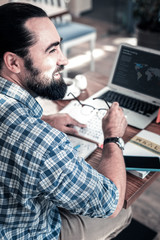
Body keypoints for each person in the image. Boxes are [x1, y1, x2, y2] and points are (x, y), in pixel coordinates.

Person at [0, 2, 132, 240]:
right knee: (124, 209)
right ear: (13, 63)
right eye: (52, 50)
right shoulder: (40, 143)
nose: (64, 60)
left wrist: (41, 120)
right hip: (29, 232)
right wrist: (113, 137)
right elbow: (110, 202)